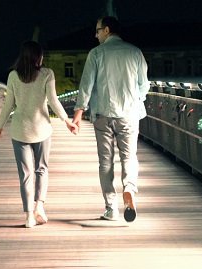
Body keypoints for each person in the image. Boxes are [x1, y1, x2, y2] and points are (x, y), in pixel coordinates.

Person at [73, 16, 149, 222]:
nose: (95, 35)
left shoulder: (96, 53)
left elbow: (86, 85)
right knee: (129, 156)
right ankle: (130, 190)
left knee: (105, 162)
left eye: (97, 30)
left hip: (103, 115)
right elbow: (144, 85)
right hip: (129, 115)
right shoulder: (135, 52)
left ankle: (111, 208)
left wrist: (79, 112)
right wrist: (134, 99)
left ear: (106, 30)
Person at [0, 40, 78, 228]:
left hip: (19, 130)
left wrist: (0, 125)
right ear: (38, 57)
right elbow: (53, 101)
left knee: (25, 174)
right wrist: (67, 120)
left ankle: (28, 217)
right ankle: (39, 206)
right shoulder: (47, 74)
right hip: (42, 129)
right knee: (41, 169)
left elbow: (8, 103)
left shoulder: (13, 76)